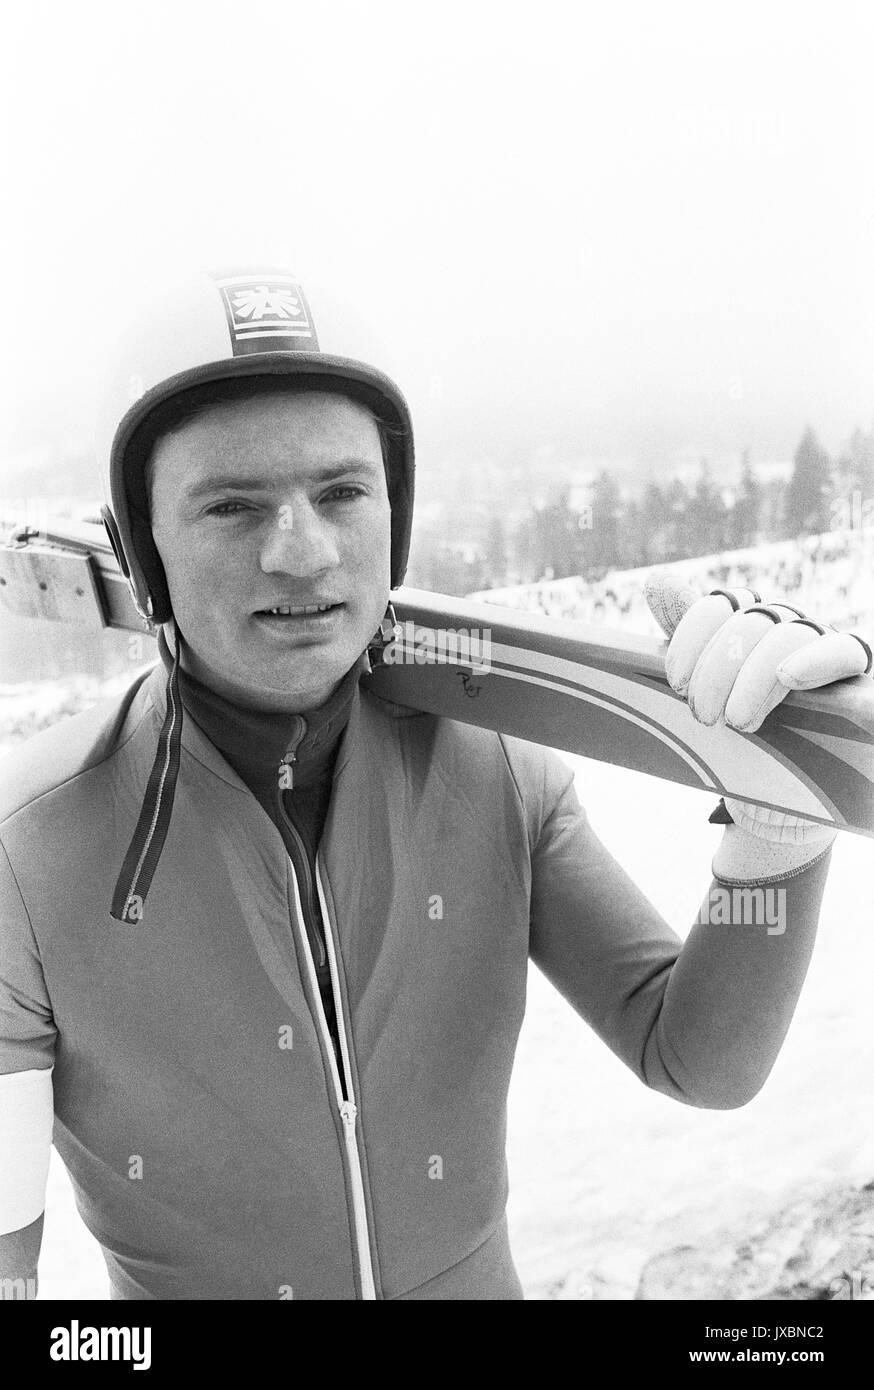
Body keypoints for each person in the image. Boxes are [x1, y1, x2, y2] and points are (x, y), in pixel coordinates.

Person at [0, 268, 870, 1301]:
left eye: (341, 491)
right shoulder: (31, 854)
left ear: (393, 514)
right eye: (232, 506)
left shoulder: (492, 764)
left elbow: (695, 1057)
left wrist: (775, 834)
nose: (304, 550)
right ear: (144, 547)